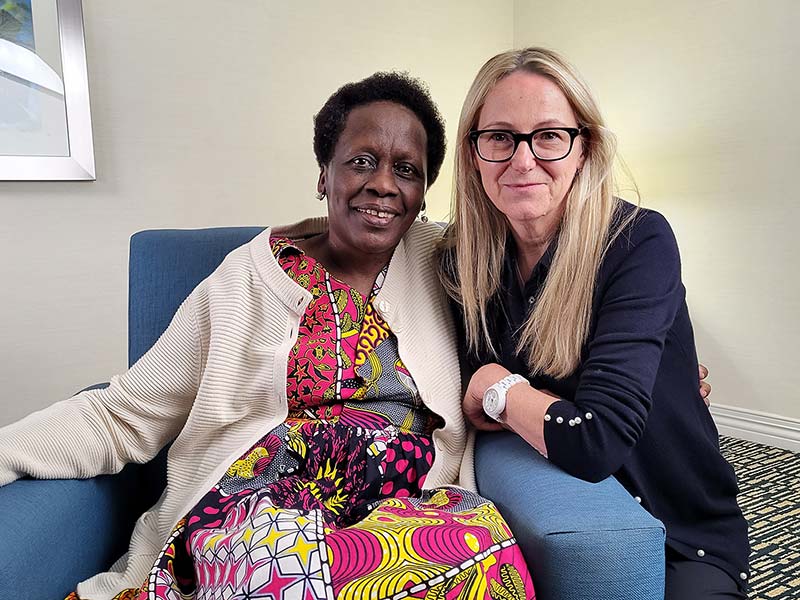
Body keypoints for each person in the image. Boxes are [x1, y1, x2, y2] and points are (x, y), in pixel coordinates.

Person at [0, 73, 534, 600]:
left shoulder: (449, 262)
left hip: (404, 522)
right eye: (362, 161)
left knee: (479, 541)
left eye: (407, 171)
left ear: (421, 195)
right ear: (325, 175)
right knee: (297, 568)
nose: (383, 184)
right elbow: (123, 415)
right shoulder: (246, 279)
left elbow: (547, 251)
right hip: (257, 523)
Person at [439, 47, 750, 600]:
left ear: (585, 148)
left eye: (550, 135)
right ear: (474, 153)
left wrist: (499, 390)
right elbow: (460, 395)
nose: (523, 159)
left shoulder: (639, 241)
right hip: (565, 495)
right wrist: (509, 399)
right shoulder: (462, 259)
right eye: (500, 137)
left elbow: (594, 438)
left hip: (680, 521)